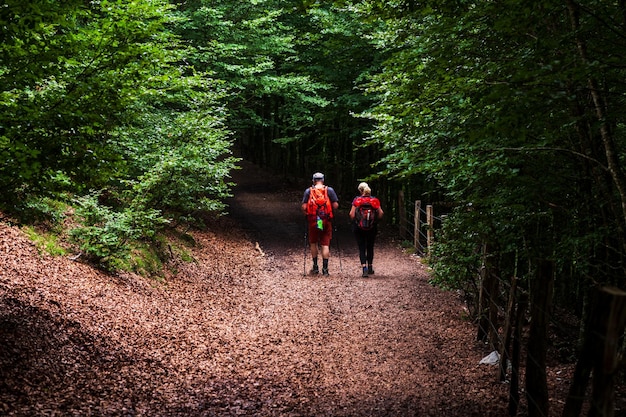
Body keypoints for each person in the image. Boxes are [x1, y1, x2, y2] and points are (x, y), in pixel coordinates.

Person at [301, 172, 339, 275]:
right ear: (323, 180)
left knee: (313, 243)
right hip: (325, 220)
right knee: (325, 244)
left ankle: (315, 267)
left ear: (313, 180)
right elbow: (335, 205)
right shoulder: (329, 190)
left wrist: (307, 215)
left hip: (313, 220)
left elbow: (304, 207)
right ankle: (325, 269)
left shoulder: (308, 191)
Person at [349, 182, 384, 277]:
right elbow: (381, 213)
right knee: (370, 246)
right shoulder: (375, 200)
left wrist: (356, 221)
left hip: (359, 227)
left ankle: (364, 268)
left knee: (361, 247)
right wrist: (375, 221)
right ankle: (370, 267)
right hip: (372, 227)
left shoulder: (357, 200)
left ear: (360, 191)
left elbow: (351, 214)